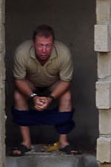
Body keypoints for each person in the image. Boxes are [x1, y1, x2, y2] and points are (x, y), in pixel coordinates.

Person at [10, 25, 79, 156]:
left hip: (53, 84)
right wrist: (33, 96)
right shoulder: (22, 52)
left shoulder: (63, 52)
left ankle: (63, 142)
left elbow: (66, 81)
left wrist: (50, 98)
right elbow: (19, 79)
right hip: (30, 84)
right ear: (33, 43)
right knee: (18, 95)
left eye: (48, 45)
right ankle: (26, 142)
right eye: (40, 45)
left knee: (67, 96)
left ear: (53, 44)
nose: (44, 50)